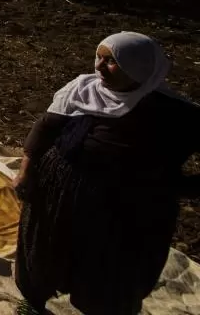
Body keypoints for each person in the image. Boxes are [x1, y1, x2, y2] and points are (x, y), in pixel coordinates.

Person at [12, 32, 200, 315]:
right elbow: (46, 127)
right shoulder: (83, 88)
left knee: (111, 271)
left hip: (126, 209)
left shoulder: (176, 114)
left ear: (140, 67)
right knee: (44, 252)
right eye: (99, 57)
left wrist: (176, 186)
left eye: (111, 61)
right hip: (62, 193)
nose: (99, 67)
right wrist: (25, 171)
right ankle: (34, 302)